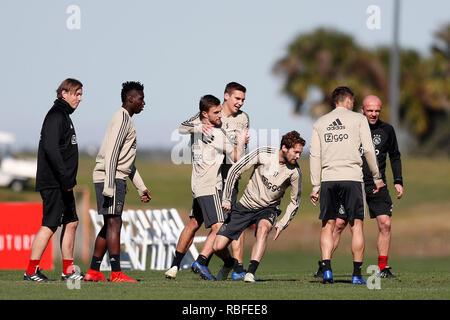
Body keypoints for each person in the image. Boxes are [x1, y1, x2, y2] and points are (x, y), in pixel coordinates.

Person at [166, 83, 250, 280]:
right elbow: (182, 127)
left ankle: (176, 267)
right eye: (237, 98)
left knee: (199, 222)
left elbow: (238, 155)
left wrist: (241, 143)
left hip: (223, 179)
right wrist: (199, 127)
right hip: (212, 183)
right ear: (226, 97)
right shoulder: (211, 121)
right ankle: (208, 262)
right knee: (222, 227)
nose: (240, 103)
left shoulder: (243, 118)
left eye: (243, 99)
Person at [309, 86, 385, 284]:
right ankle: (357, 274)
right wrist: (376, 176)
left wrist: (315, 185)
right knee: (356, 225)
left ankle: (326, 270)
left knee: (327, 225)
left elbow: (315, 156)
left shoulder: (320, 122)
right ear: (349, 100)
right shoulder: (359, 119)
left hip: (328, 178)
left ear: (334, 102)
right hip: (352, 176)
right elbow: (368, 150)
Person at [213, 131, 304, 282]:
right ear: (284, 148)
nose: (298, 156)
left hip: (268, 209)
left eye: (300, 153)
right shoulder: (264, 153)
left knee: (262, 230)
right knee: (218, 246)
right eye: (296, 152)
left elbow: (295, 201)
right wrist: (227, 199)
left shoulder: (295, 172)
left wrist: (282, 223)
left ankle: (250, 273)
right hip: (245, 205)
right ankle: (229, 263)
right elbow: (235, 170)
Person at [84, 81, 152, 282]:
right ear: (130, 99)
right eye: (140, 99)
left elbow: (127, 161)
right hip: (111, 178)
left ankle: (93, 272)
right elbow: (112, 153)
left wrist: (141, 186)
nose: (143, 103)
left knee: (109, 224)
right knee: (115, 222)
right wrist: (109, 185)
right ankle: (116, 273)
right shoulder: (122, 118)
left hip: (113, 176)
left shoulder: (126, 119)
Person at [330, 95, 403, 278]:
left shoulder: (387, 130)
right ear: (362, 110)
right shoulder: (352, 127)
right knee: (339, 224)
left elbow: (394, 156)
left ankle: (382, 268)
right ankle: (325, 265)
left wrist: (398, 181)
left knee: (385, 223)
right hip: (353, 182)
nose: (373, 114)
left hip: (378, 184)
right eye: (370, 110)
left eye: (377, 110)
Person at [24, 78, 84, 282]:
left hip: (64, 182)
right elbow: (50, 148)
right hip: (54, 181)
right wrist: (64, 178)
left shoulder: (65, 115)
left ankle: (68, 271)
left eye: (81, 94)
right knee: (50, 224)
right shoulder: (56, 115)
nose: (79, 98)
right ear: (63, 94)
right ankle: (31, 271)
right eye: (76, 94)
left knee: (72, 222)